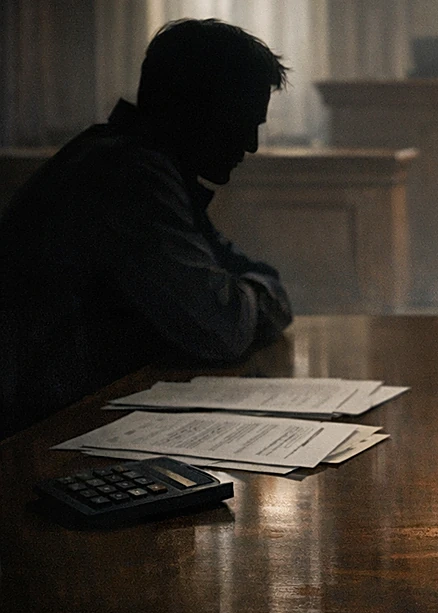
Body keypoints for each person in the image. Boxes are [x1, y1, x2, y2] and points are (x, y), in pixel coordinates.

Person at [0, 19, 293, 439]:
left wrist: (250, 293)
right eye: (241, 122)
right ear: (192, 110)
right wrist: (259, 293)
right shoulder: (130, 177)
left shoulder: (141, 162)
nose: (251, 145)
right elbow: (219, 328)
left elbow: (231, 282)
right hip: (41, 437)